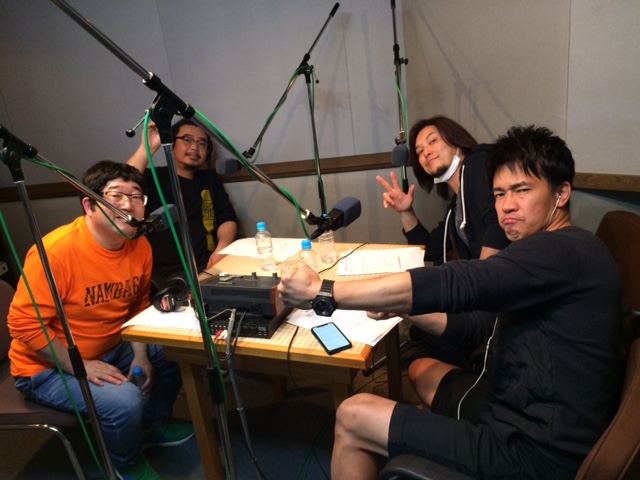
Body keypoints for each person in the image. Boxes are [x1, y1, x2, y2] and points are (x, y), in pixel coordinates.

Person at [278, 125, 623, 479]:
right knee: (421, 371)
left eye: (522, 190)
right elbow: (480, 325)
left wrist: (324, 291)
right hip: (509, 401)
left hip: (532, 452)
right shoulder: (555, 250)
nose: (507, 205)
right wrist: (403, 307)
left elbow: (461, 281)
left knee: (353, 414)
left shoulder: (560, 250)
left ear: (561, 193)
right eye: (499, 194)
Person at [8, 161, 194, 480]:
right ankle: (125, 461)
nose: (128, 204)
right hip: (45, 367)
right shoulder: (56, 251)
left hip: (112, 346)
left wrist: (140, 355)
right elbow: (23, 323)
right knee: (125, 400)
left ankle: (149, 427)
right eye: (116, 195)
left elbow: (137, 306)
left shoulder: (140, 245)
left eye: (136, 196)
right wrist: (78, 365)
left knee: (177, 350)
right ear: (89, 205)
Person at [377, 116, 510, 368]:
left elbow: (497, 222)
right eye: (419, 151)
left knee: (429, 321)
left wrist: (480, 284)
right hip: (484, 294)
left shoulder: (477, 162)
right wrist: (406, 210)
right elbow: (429, 248)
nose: (425, 152)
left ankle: (470, 379)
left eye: (433, 141)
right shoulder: (456, 207)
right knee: (426, 325)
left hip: (499, 298)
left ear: (457, 142)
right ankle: (464, 377)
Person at [128, 118, 239, 289]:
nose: (195, 147)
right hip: (170, 271)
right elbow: (121, 184)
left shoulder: (210, 180)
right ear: (171, 144)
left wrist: (221, 249)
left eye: (201, 143)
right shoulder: (153, 178)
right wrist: (147, 148)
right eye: (187, 140)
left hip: (209, 262)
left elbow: (227, 218)